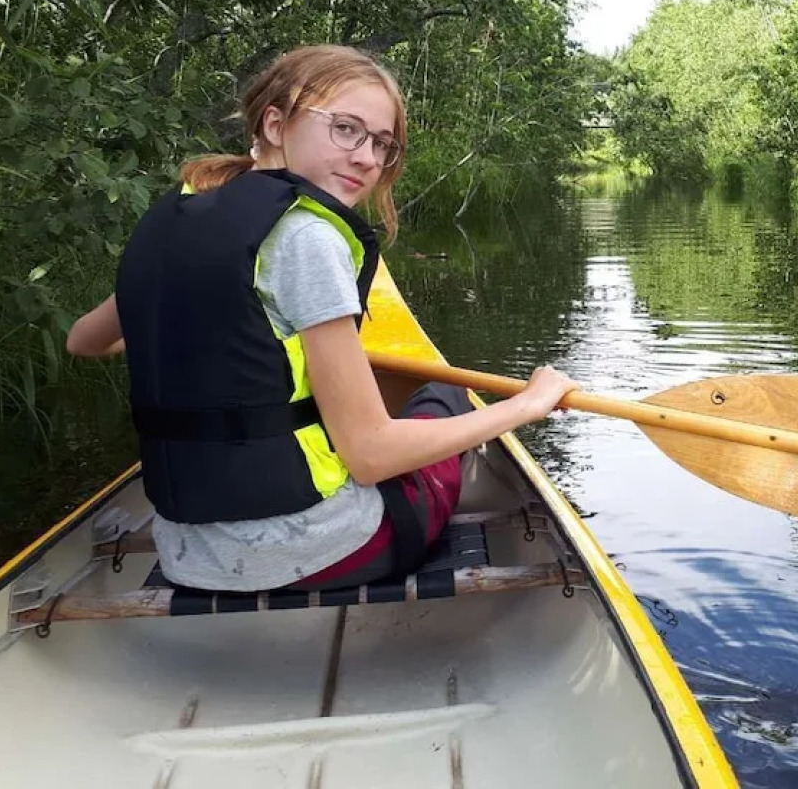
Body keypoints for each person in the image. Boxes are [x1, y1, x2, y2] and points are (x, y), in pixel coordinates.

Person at [65, 44, 577, 592]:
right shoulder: (306, 235)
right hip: (318, 552)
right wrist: (525, 406)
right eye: (346, 129)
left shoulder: (179, 219)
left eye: (381, 143)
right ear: (275, 124)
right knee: (440, 394)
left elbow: (85, 340)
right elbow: (371, 456)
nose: (367, 159)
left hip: (186, 554)